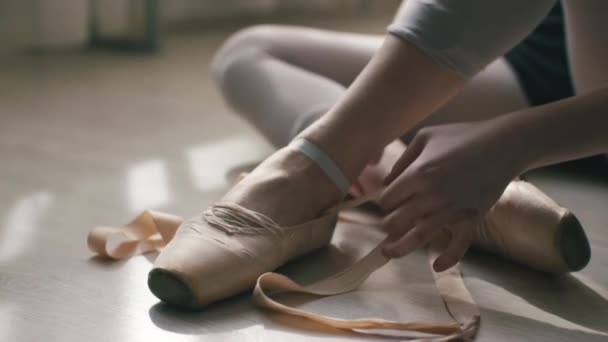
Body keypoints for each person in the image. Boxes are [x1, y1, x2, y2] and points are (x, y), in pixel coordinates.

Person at [208, 0, 607, 272]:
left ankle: (363, 173)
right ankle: (394, 176)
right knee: (247, 53)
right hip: (530, 60)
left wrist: (511, 143)